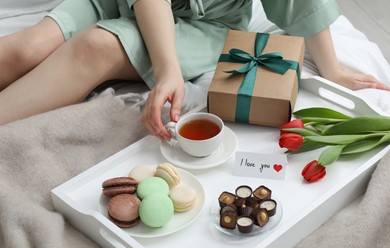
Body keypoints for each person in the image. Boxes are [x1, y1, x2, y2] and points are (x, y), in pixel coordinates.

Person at [0, 0, 388, 141]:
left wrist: (333, 70)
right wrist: (168, 70)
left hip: (203, 26)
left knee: (95, 46)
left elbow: (300, 3)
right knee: (28, 48)